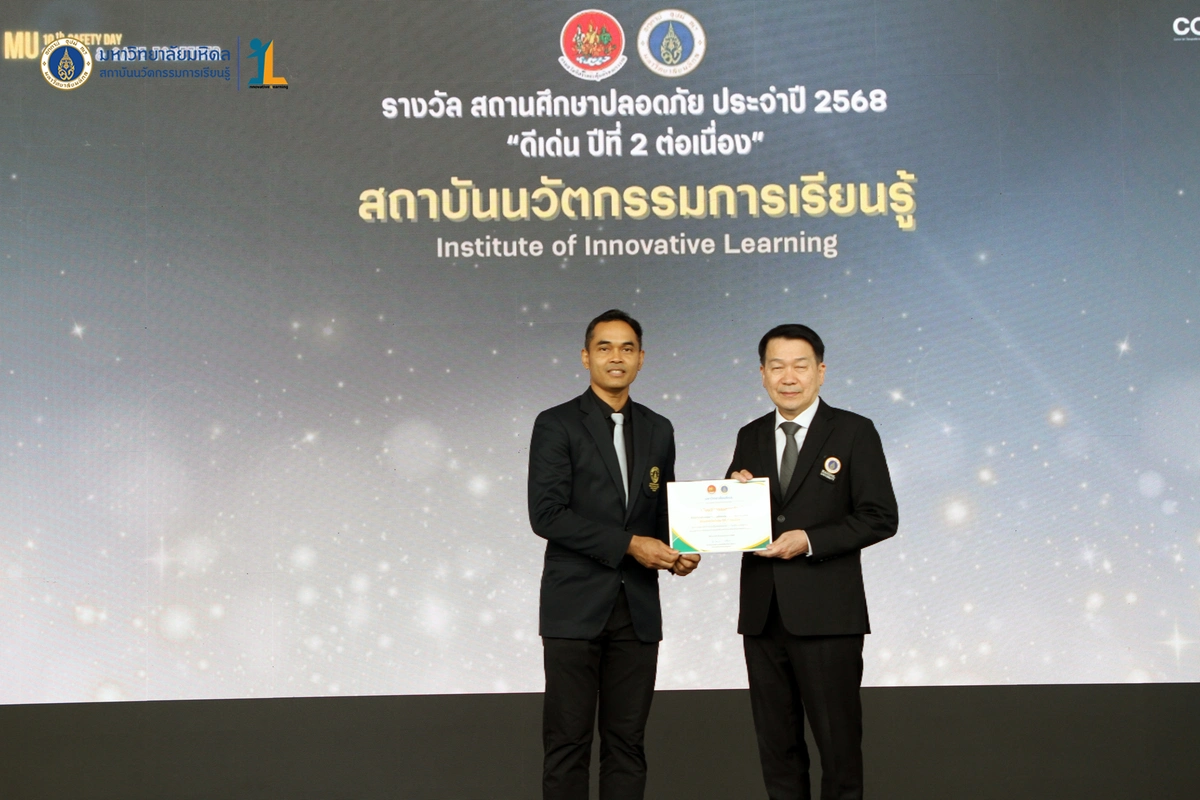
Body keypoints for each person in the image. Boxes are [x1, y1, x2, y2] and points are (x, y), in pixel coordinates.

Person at [528, 309, 700, 800]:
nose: (616, 357)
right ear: (586, 357)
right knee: (568, 744)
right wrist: (630, 545)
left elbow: (661, 509)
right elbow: (547, 515)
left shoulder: (659, 428)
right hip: (574, 608)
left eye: (627, 348)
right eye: (604, 347)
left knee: (627, 744)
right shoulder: (556, 423)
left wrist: (680, 550)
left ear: (642, 359)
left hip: (637, 609)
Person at [728, 324, 898, 800]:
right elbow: (737, 520)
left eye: (800, 366)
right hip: (763, 616)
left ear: (820, 372)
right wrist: (731, 497)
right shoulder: (750, 435)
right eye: (777, 366)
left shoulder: (853, 431)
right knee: (777, 749)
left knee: (838, 748)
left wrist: (809, 540)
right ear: (762, 374)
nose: (789, 377)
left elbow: (880, 517)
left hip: (828, 616)